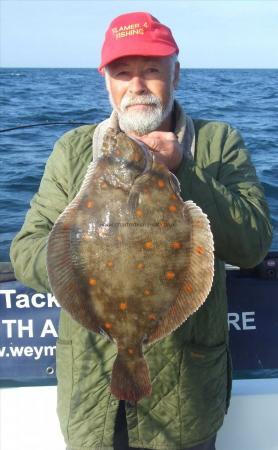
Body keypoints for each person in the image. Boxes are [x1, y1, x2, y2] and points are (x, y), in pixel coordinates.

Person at [10, 11, 272, 450]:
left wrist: (185, 170)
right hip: (90, 400)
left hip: (185, 398)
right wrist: (74, 256)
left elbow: (253, 245)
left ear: (176, 74)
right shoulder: (73, 151)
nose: (137, 85)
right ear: (106, 81)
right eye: (122, 72)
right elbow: (25, 251)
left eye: (152, 70)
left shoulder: (217, 143)